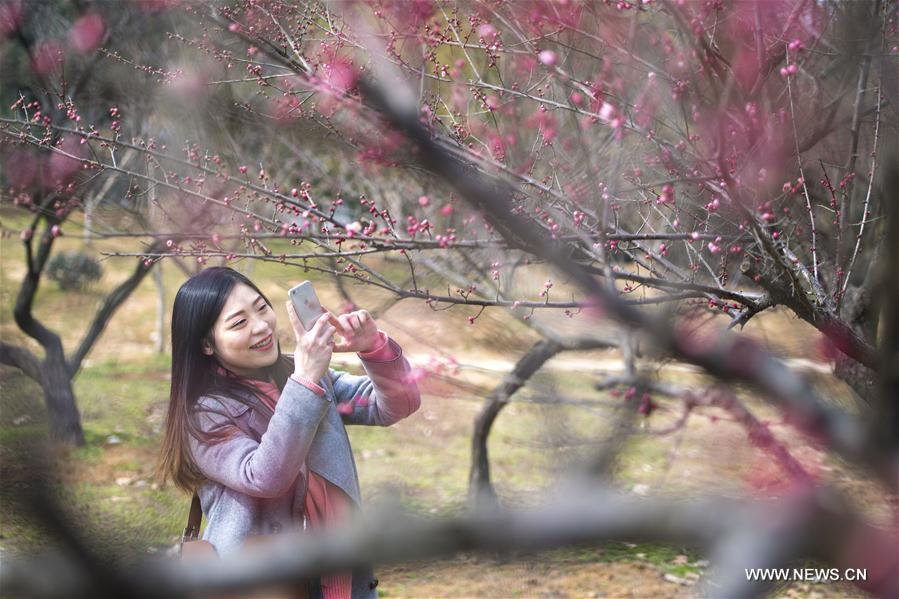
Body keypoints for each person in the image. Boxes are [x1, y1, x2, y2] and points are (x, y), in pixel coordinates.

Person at [157, 267, 421, 599]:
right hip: (261, 583)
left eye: (261, 308)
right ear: (207, 344)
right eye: (239, 323)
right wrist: (306, 379)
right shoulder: (206, 413)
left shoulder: (304, 373)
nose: (261, 326)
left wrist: (374, 349)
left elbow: (397, 405)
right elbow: (264, 477)